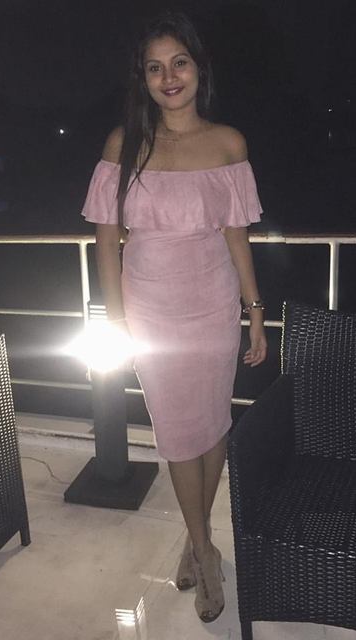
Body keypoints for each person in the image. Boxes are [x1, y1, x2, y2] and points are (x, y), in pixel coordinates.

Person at [81, 9, 267, 624]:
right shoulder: (124, 145)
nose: (169, 77)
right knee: (179, 434)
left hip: (213, 306)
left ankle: (196, 537)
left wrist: (255, 311)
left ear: (198, 69)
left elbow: (236, 236)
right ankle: (207, 551)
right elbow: (106, 243)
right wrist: (115, 321)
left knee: (211, 428)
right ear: (143, 78)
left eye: (179, 63)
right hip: (152, 313)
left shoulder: (229, 143)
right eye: (155, 67)